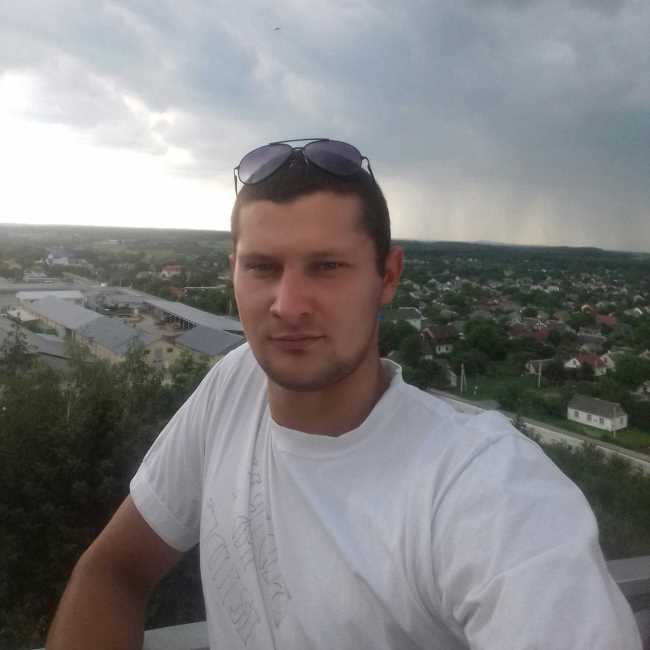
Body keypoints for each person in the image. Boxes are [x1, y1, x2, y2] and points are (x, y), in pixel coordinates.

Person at [47, 139, 642, 649]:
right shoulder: (234, 385)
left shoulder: (483, 486)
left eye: (327, 266)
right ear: (233, 272)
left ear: (388, 277)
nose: (288, 305)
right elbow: (114, 569)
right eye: (262, 267)